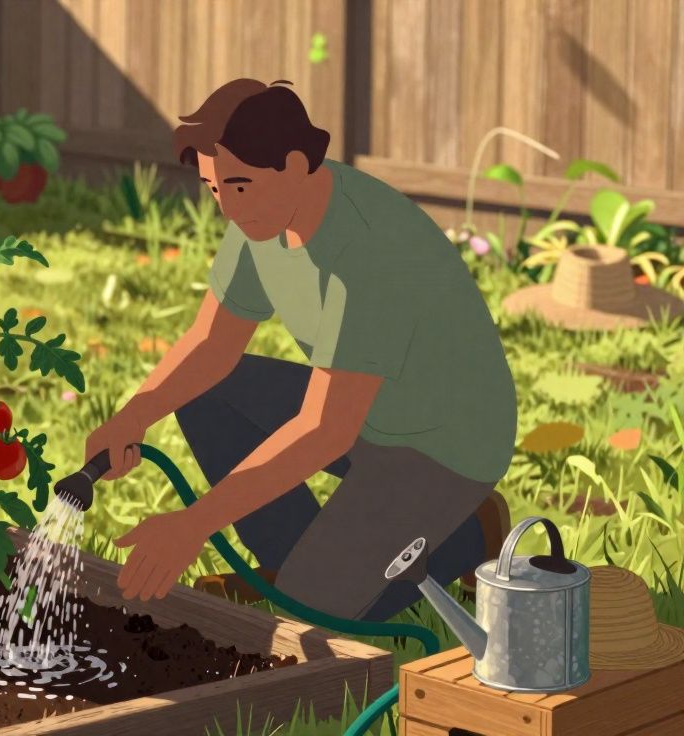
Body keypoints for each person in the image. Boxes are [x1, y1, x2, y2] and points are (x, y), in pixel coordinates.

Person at [86, 78, 516, 621]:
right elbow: (213, 343)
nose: (228, 210)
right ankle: (290, 564)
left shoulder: (367, 249)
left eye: (238, 187)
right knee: (209, 393)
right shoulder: (262, 215)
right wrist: (135, 414)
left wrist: (193, 525)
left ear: (294, 164)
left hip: (442, 442)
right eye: (215, 190)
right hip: (363, 407)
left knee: (312, 612)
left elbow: (324, 430)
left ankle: (470, 533)